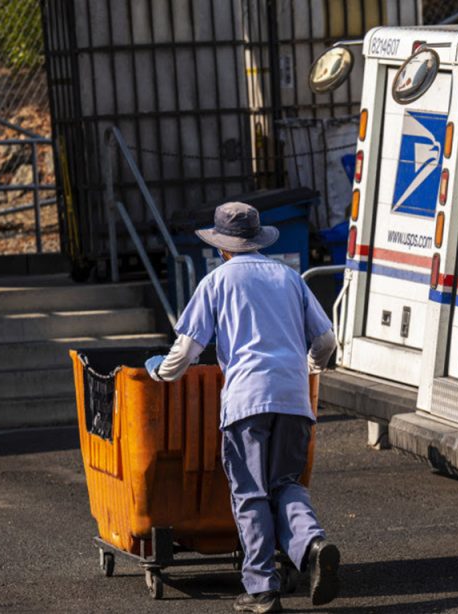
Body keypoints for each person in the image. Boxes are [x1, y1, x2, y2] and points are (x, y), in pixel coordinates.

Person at [144, 202, 340, 613]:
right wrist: (306, 368)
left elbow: (186, 352)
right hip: (294, 399)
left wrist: (159, 373)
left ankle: (262, 591)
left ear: (222, 248)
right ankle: (312, 544)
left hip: (247, 402)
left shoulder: (216, 282)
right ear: (258, 240)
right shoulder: (289, 278)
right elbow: (326, 342)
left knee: (250, 494)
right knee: (286, 485)